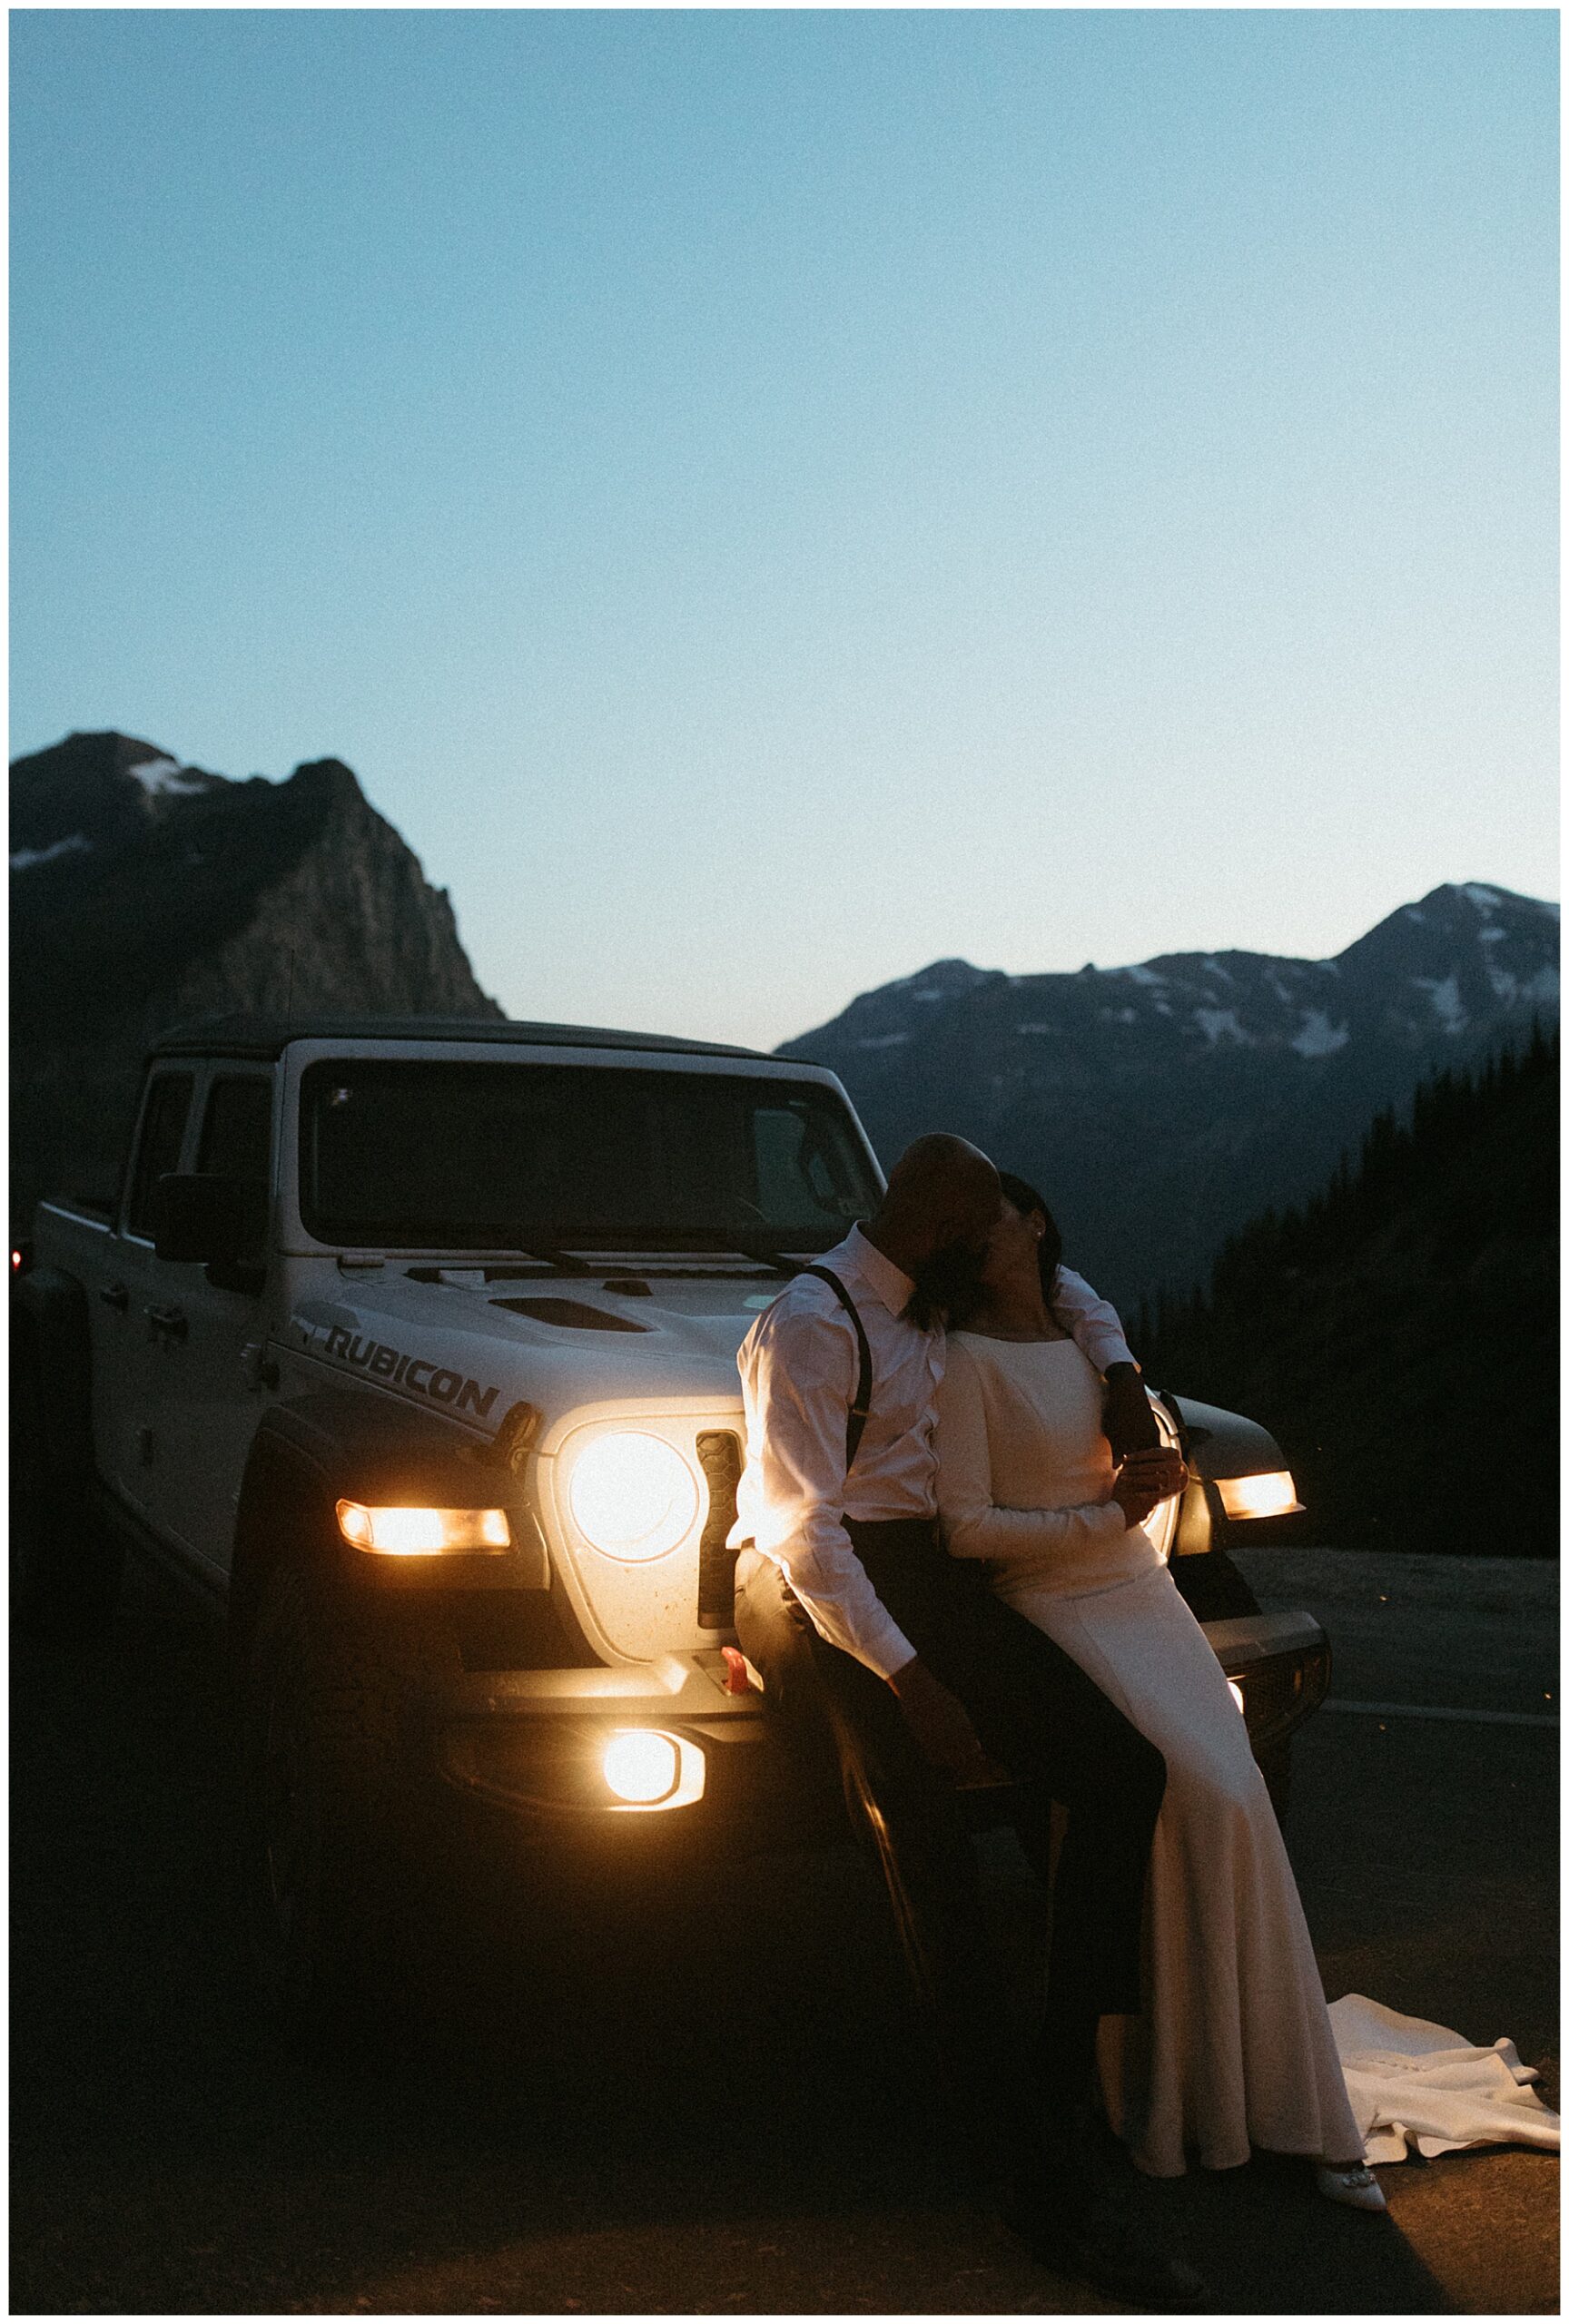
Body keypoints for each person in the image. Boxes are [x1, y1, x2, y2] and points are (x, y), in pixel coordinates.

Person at [727, 1134, 1209, 2306]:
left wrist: (1124, 1389)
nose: (1009, 1235)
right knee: (929, 1841)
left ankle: (1065, 2066)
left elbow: (1076, 1297)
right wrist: (912, 1681)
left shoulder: (941, 1287)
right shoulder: (813, 1321)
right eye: (988, 1217)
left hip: (931, 1567)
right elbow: (802, 1533)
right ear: (938, 1227)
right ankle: (1033, 2182)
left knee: (1119, 1770)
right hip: (816, 1584)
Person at [933, 1170, 1384, 2211]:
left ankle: (1279, 2083)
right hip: (1053, 1598)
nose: (970, 1235)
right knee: (1175, 1794)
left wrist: (1151, 1491)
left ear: (1035, 1222)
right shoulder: (960, 1361)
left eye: (987, 1214)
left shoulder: (1090, 1324)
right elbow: (963, 1525)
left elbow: (1118, 1401)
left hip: (1142, 1591)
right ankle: (1168, 2087)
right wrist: (1102, 1517)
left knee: (1236, 1796)